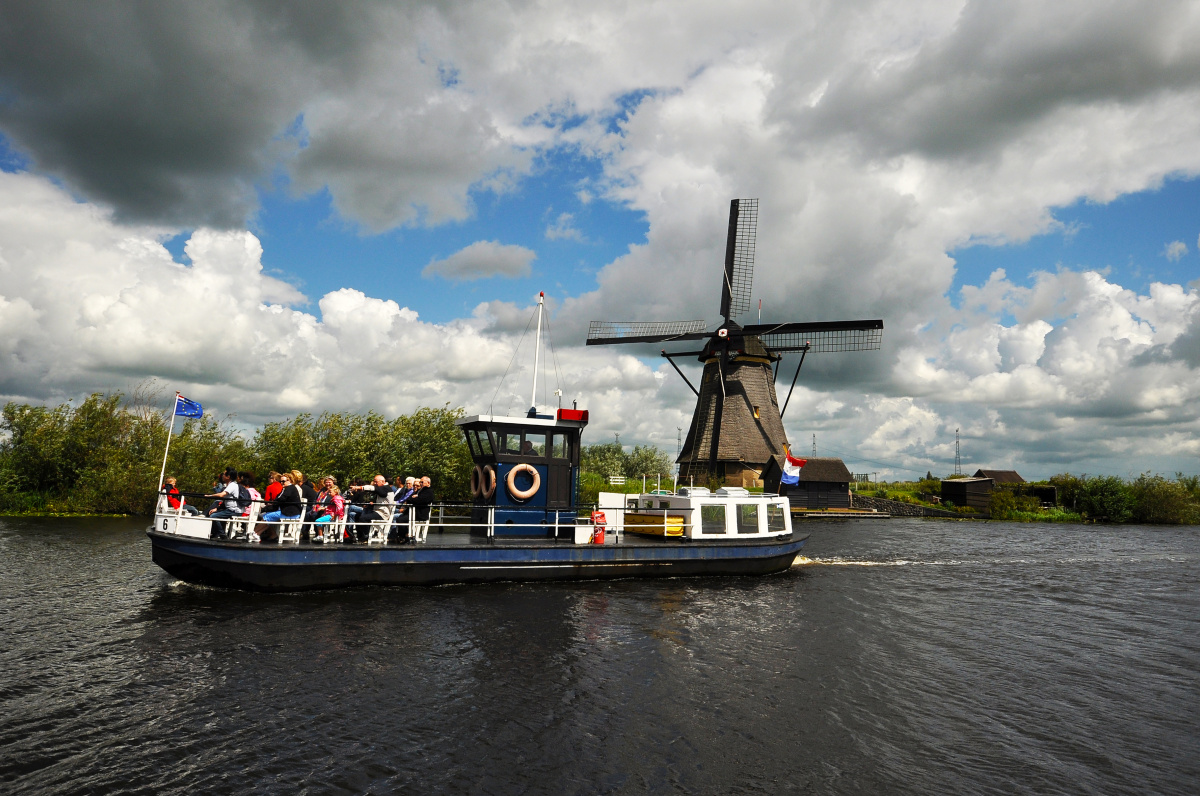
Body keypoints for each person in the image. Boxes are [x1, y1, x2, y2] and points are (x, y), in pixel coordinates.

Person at [255, 472, 304, 542]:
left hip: (291, 513)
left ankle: (254, 533)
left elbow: (281, 499)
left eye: (283, 481)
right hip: (287, 511)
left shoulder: (290, 488)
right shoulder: (286, 489)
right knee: (266, 516)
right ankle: (257, 534)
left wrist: (270, 506)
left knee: (267, 516)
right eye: (281, 481)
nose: (282, 483)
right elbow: (278, 499)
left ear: (289, 480)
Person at [350, 474, 394, 543]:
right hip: (376, 511)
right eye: (374, 482)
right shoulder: (382, 489)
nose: (375, 484)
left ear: (382, 481)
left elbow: (373, 488)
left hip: (383, 513)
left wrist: (360, 487)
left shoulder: (386, 488)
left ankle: (367, 536)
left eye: (376, 482)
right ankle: (359, 536)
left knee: (363, 518)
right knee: (357, 516)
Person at [205, 467, 242, 539]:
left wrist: (209, 496)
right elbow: (226, 501)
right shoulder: (229, 485)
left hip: (233, 510)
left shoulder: (232, 485)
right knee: (213, 513)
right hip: (229, 509)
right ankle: (216, 534)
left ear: (228, 477)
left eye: (224, 474)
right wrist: (217, 508)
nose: (222, 476)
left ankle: (222, 535)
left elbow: (221, 495)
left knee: (213, 516)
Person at [312, 478, 346, 543]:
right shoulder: (332, 498)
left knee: (318, 520)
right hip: (329, 513)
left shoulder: (337, 499)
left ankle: (320, 536)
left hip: (332, 515)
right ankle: (320, 534)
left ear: (335, 492)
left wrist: (336, 515)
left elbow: (340, 508)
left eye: (330, 492)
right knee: (315, 516)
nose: (329, 493)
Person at [405, 476, 435, 544]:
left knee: (401, 519)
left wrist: (415, 498)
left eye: (422, 482)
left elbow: (420, 500)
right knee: (400, 518)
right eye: (420, 482)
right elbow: (409, 499)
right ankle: (403, 536)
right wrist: (414, 498)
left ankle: (406, 537)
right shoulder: (420, 491)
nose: (420, 483)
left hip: (420, 514)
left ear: (428, 483)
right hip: (414, 513)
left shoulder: (428, 492)